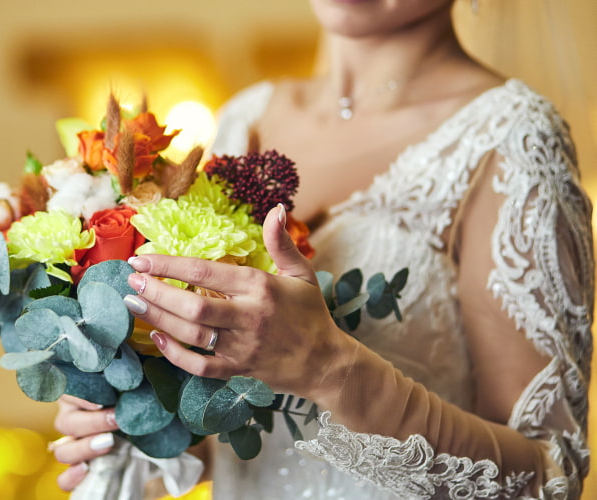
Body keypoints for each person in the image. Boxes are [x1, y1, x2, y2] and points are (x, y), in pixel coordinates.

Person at [51, 0, 594, 498]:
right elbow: (264, 434)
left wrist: (329, 367)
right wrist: (148, 422)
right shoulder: (247, 117)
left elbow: (549, 474)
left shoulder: (512, 141)